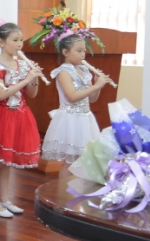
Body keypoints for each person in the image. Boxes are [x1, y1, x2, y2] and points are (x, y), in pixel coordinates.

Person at [0, 20, 43, 217]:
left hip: (21, 115)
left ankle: (5, 199)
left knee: (8, 161)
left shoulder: (23, 65)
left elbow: (32, 95)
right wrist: (26, 79)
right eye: (15, 40)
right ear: (1, 42)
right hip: (2, 116)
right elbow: (1, 95)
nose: (20, 44)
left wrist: (33, 78)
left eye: (21, 40)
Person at [41, 34, 109, 178]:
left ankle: (76, 194)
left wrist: (98, 86)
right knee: (70, 162)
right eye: (79, 51)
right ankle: (64, 196)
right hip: (70, 119)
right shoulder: (63, 72)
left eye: (84, 51)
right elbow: (72, 97)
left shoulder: (85, 71)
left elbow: (92, 98)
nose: (83, 54)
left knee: (83, 160)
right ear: (66, 52)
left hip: (85, 118)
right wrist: (96, 85)